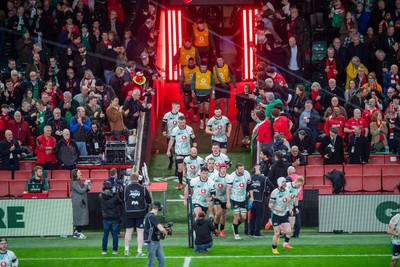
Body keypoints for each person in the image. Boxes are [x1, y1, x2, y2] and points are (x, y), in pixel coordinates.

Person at [124, 173, 152, 257]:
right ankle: (139, 251)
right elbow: (149, 201)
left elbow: (124, 199)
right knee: (140, 232)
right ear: (138, 179)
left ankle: (126, 250)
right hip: (140, 212)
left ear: (130, 179)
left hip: (129, 211)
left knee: (128, 232)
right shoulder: (143, 188)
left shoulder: (126, 188)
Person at [167, 116, 197, 190]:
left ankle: (191, 182)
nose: (181, 124)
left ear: (185, 121)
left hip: (187, 152)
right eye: (180, 122)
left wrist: (194, 145)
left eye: (183, 122)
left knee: (189, 168)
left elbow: (193, 138)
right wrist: (168, 150)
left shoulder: (189, 129)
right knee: (179, 168)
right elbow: (171, 140)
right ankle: (180, 182)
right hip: (179, 152)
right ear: (178, 122)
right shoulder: (175, 130)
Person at [226, 163, 253, 240]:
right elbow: (228, 189)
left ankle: (235, 226)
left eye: (243, 168)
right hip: (234, 198)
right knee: (236, 215)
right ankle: (236, 234)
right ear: (236, 169)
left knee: (244, 217)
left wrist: (252, 197)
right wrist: (228, 201)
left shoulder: (247, 174)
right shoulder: (232, 176)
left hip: (243, 198)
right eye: (240, 169)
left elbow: (250, 185)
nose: (242, 170)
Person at [249, 164, 274, 238]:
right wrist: (268, 192)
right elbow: (272, 187)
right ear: (260, 170)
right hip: (260, 200)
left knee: (252, 217)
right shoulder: (264, 178)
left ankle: (251, 232)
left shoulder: (250, 178)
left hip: (251, 200)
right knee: (259, 217)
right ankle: (257, 233)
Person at [269, 177, 292, 254]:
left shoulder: (287, 190)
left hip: (284, 214)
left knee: (289, 231)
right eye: (283, 182)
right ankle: (274, 248)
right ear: (279, 183)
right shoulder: (275, 192)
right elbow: (270, 205)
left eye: (285, 182)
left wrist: (290, 209)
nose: (285, 183)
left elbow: (288, 201)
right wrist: (277, 208)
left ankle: (280, 233)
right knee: (277, 233)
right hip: (276, 214)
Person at [99, 180, 123, 255]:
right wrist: (119, 193)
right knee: (115, 234)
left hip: (106, 217)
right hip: (114, 217)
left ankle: (104, 250)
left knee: (105, 234)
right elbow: (121, 202)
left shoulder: (100, 196)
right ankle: (115, 250)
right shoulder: (115, 196)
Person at [191, 61, 215, 130]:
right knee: (201, 108)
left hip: (207, 93)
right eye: (202, 67)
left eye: (204, 67)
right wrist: (192, 91)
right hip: (199, 93)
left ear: (206, 67)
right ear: (200, 67)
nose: (203, 68)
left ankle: (207, 120)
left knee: (207, 109)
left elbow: (213, 84)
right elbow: (192, 83)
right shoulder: (196, 73)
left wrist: (213, 93)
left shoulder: (209, 73)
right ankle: (201, 121)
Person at [143, 201, 168, 267]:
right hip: (151, 242)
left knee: (162, 259)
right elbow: (161, 228)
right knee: (151, 262)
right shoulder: (152, 216)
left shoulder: (147, 215)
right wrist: (166, 233)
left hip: (154, 241)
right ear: (158, 208)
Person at [162, 102, 184, 170]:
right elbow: (163, 125)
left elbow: (184, 125)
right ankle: (171, 161)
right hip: (170, 136)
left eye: (179, 107)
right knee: (170, 150)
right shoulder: (167, 115)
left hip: (178, 137)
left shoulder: (181, 115)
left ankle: (177, 169)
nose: (178, 108)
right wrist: (163, 131)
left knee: (177, 151)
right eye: (177, 107)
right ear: (173, 107)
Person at [209, 163, 229, 237]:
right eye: (222, 168)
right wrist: (211, 195)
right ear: (219, 169)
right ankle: (216, 228)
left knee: (223, 214)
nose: (223, 170)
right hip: (216, 197)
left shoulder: (228, 177)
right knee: (218, 213)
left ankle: (222, 230)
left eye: (224, 168)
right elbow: (209, 184)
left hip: (225, 198)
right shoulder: (214, 176)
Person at [71, 169, 90, 239]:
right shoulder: (75, 183)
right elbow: (81, 191)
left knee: (80, 217)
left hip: (81, 203)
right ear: (75, 175)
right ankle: (77, 232)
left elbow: (84, 190)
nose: (81, 174)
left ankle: (77, 232)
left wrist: (87, 187)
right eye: (79, 173)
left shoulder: (79, 182)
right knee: (78, 217)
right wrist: (86, 184)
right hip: (78, 203)